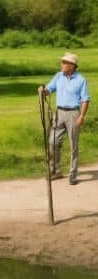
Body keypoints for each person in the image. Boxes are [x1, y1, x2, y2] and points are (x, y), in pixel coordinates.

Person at [38, 52, 90, 185]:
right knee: (52, 142)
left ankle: (73, 175)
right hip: (59, 113)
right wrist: (43, 90)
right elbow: (49, 89)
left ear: (72, 65)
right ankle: (55, 171)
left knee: (73, 145)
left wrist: (82, 116)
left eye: (64, 62)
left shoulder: (81, 80)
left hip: (74, 114)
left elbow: (85, 99)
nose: (62, 64)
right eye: (62, 62)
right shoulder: (58, 76)